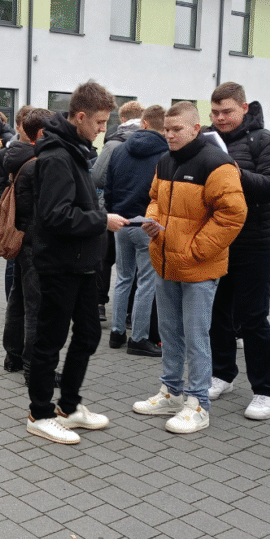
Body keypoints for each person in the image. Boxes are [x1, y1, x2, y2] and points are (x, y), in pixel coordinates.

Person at [133, 102, 246, 434]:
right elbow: (155, 199)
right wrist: (152, 220)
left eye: (177, 129)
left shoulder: (217, 164)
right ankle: (171, 392)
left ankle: (198, 403)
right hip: (165, 261)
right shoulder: (165, 161)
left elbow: (232, 214)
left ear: (196, 128)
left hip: (198, 266)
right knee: (170, 333)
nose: (169, 135)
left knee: (196, 336)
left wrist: (197, 250)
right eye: (166, 129)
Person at [25, 82, 128, 445]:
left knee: (88, 334)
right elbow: (56, 215)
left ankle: (68, 407)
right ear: (80, 116)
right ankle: (39, 413)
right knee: (50, 340)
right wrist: (102, 220)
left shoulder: (75, 149)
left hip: (83, 263)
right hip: (60, 264)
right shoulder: (57, 156)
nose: (103, 129)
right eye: (99, 122)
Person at [206, 82, 270, 422]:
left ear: (244, 108)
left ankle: (266, 391)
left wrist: (236, 175)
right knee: (217, 314)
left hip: (253, 243)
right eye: (215, 112)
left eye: (227, 111)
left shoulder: (264, 140)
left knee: (253, 319)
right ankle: (222, 374)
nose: (220, 118)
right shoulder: (207, 140)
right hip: (216, 241)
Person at [104, 104, 167, 357]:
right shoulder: (166, 155)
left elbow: (108, 186)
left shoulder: (119, 150)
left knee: (123, 278)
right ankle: (139, 338)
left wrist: (113, 213)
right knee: (146, 282)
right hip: (147, 225)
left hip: (120, 221)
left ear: (143, 123)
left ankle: (116, 332)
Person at [0, 107, 50, 380]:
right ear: (41, 134)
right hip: (36, 243)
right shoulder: (38, 164)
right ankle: (34, 367)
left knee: (18, 300)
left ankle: (13, 357)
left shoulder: (18, 157)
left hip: (22, 239)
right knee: (36, 308)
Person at [92, 100, 144, 322]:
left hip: (114, 209)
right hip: (141, 211)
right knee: (137, 264)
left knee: (105, 258)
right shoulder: (156, 142)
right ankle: (132, 311)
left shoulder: (113, 144)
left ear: (122, 118)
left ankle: (99, 304)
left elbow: (97, 177)